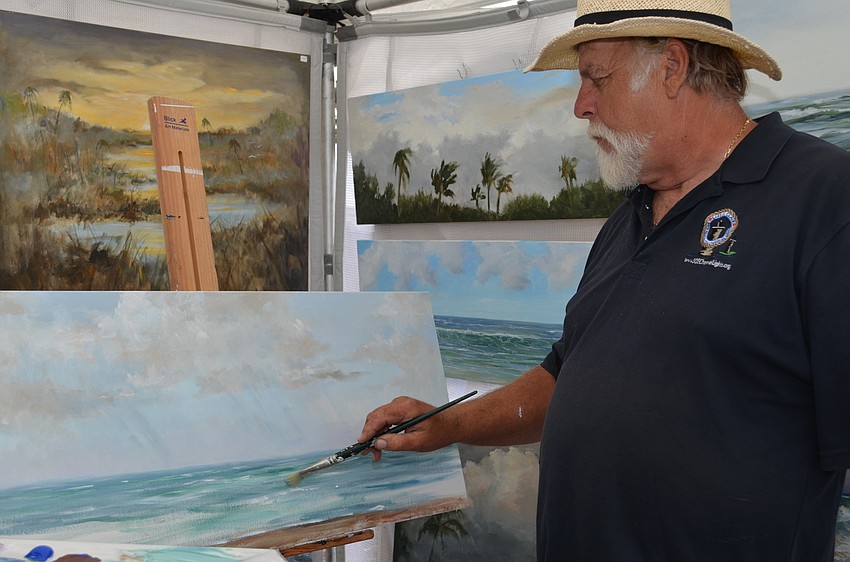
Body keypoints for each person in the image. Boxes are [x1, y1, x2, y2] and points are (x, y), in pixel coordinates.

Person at [358, 0, 850, 560]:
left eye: (596, 78)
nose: (580, 105)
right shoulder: (630, 215)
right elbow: (566, 373)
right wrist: (447, 423)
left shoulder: (825, 200)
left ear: (672, 66)